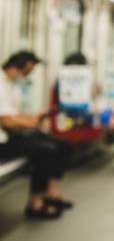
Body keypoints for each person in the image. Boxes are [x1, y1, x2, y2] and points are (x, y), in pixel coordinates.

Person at [0, 51, 73, 219]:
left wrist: (33, 117)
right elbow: (6, 121)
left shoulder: (12, 85)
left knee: (64, 146)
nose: (27, 76)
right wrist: (31, 123)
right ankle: (35, 203)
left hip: (15, 135)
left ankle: (50, 194)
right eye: (26, 72)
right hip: (4, 140)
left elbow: (13, 115)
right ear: (15, 67)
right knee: (46, 151)